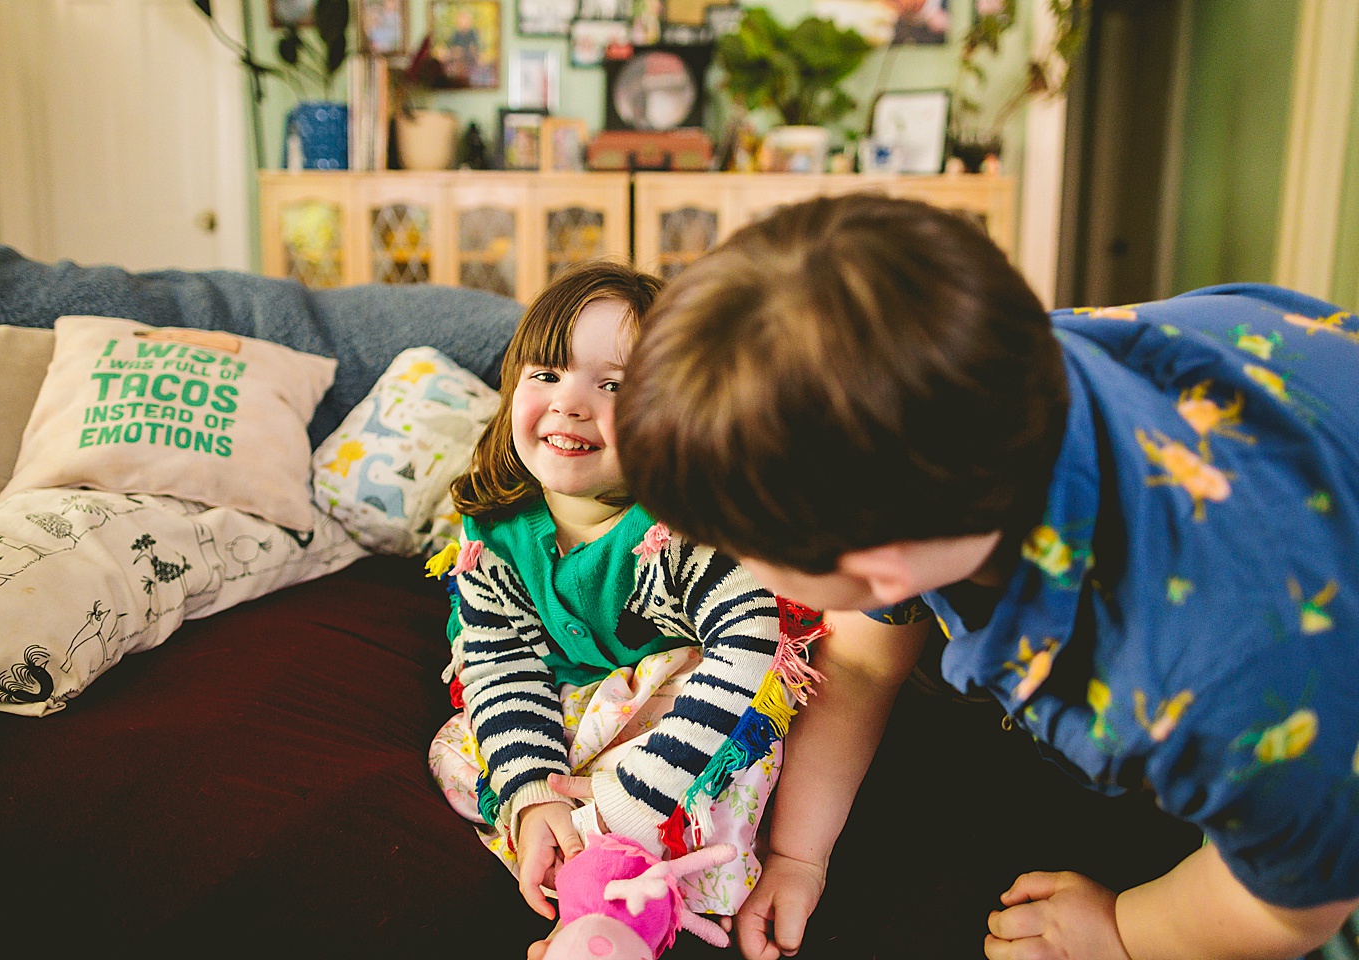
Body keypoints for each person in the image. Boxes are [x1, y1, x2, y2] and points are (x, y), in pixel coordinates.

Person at [613, 193, 1359, 960]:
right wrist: (799, 854)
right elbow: (866, 660)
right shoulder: (970, 383)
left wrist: (1122, 932)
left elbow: (1293, 902)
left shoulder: (1213, 679)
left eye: (735, 546)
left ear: (880, 565)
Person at [426, 261, 820, 948]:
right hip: (575, 713)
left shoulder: (682, 526)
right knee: (457, 755)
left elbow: (753, 639)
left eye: (612, 386)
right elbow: (501, 663)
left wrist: (635, 798)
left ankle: (623, 901)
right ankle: (577, 866)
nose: (569, 403)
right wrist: (532, 795)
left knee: (726, 770)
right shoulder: (494, 532)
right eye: (546, 374)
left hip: (681, 718)